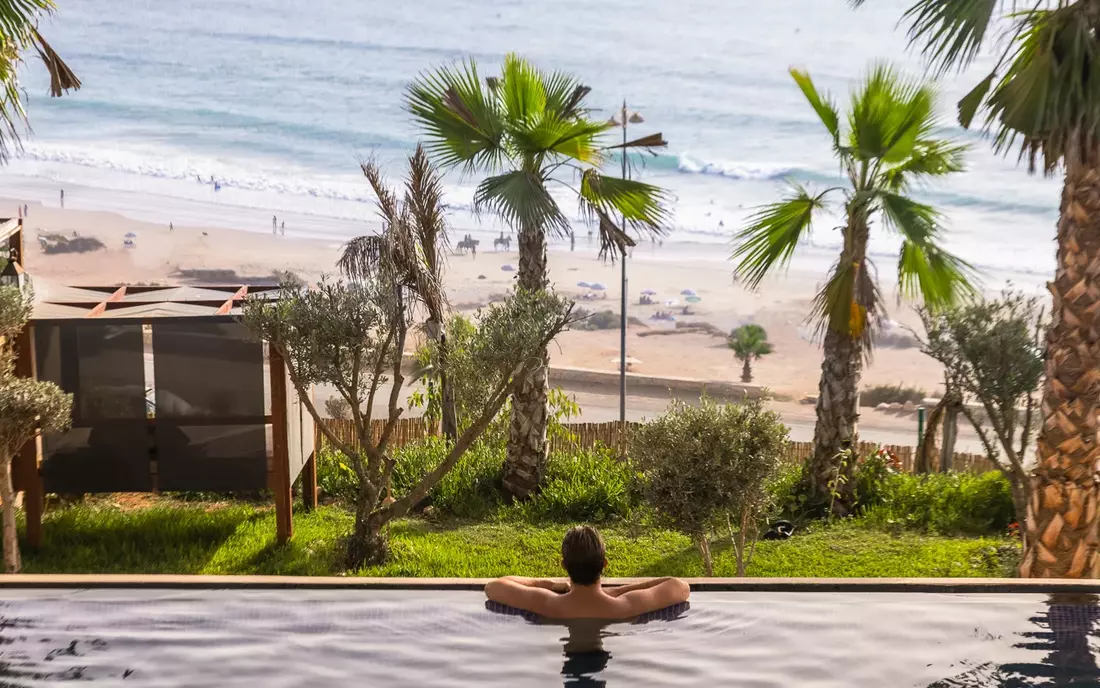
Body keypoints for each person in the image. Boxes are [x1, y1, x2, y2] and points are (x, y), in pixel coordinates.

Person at [484, 526, 689, 620]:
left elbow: (493, 587)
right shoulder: (625, 606)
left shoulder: (546, 603)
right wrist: (619, 591)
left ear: (564, 565)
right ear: (604, 564)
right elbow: (680, 586)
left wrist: (546, 584)